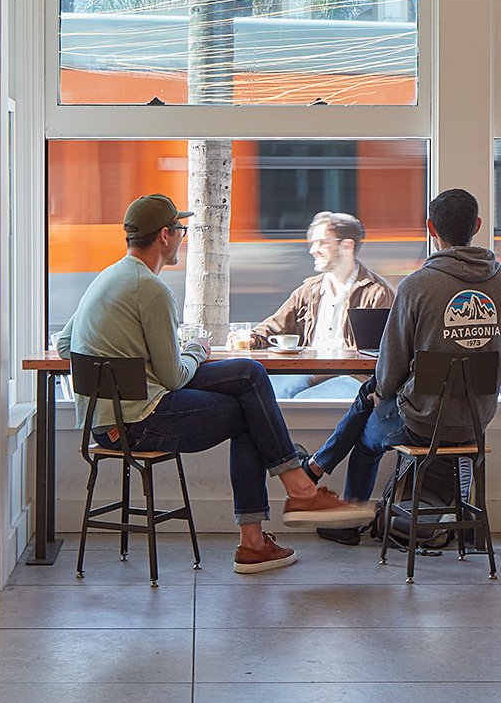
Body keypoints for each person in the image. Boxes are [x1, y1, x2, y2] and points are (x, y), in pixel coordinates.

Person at [51, 193, 369, 574]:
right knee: (250, 411)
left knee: (250, 375)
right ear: (165, 236)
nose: (183, 239)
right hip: (141, 424)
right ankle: (278, 514)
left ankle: (288, 503)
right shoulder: (151, 290)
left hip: (106, 424)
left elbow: (65, 344)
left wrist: (126, 367)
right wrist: (197, 349)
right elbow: (173, 377)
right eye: (181, 230)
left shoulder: (107, 277)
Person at [306, 189, 501, 526]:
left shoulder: (416, 285)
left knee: (367, 440)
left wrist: (382, 392)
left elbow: (391, 367)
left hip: (421, 422)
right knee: (370, 398)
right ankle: (316, 470)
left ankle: (343, 521)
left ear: (430, 228)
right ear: (477, 225)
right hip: (476, 421)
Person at [251, 211, 396, 399]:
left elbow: (382, 353)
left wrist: (320, 372)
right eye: (312, 243)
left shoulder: (377, 292)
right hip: (309, 371)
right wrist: (251, 337)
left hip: (352, 377)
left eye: (322, 243)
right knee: (268, 394)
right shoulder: (310, 289)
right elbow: (275, 325)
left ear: (347, 246)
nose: (313, 250)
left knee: (303, 403)